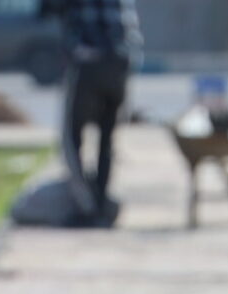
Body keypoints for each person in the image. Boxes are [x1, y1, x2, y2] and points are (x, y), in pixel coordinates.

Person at [51, 0, 138, 225]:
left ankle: (88, 207)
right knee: (106, 139)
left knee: (71, 139)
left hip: (88, 64)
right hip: (120, 63)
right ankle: (102, 203)